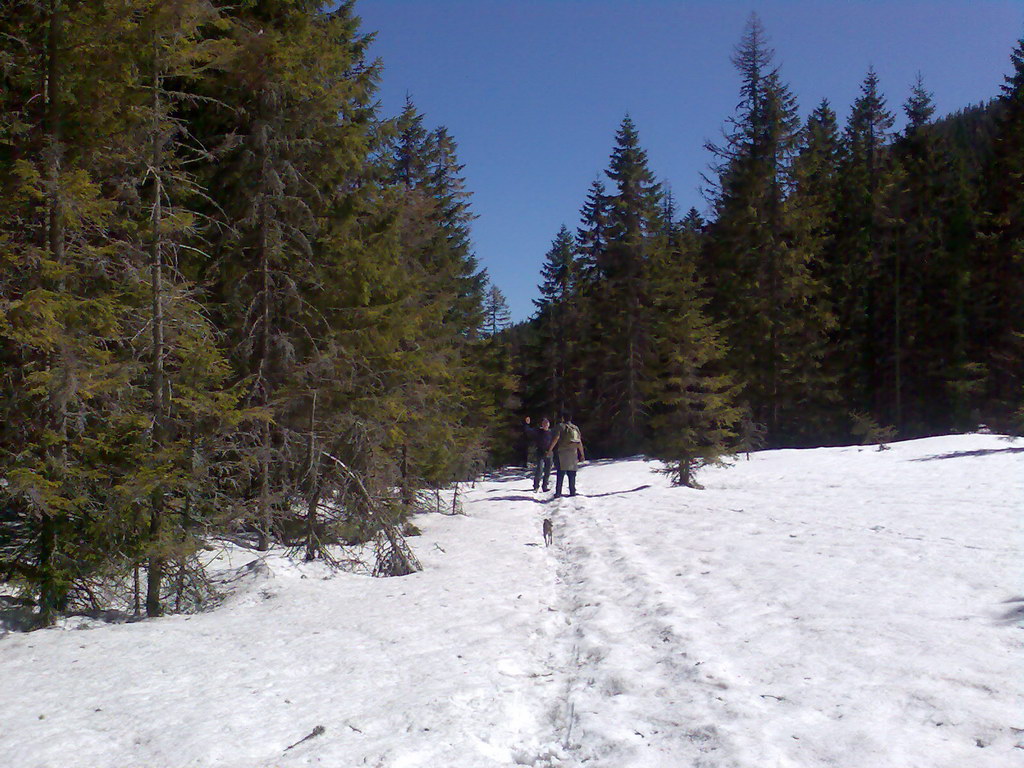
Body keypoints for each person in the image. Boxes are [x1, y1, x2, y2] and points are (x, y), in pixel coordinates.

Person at [550, 414, 585, 497]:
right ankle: (572, 491)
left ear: (562, 418)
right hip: (573, 453)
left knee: (560, 473)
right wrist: (582, 454)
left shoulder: (560, 426)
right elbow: (579, 442)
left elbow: (556, 438)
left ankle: (558, 492)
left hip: (562, 452)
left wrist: (550, 449)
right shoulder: (575, 428)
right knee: (572, 473)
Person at [523, 416, 555, 492]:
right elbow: (528, 431)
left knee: (547, 470)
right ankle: (536, 486)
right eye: (544, 424)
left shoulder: (551, 432)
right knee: (539, 469)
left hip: (549, 453)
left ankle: (545, 486)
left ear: (549, 425)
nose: (545, 425)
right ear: (542, 424)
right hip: (540, 452)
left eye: (546, 424)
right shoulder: (538, 431)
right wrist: (526, 424)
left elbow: (556, 442)